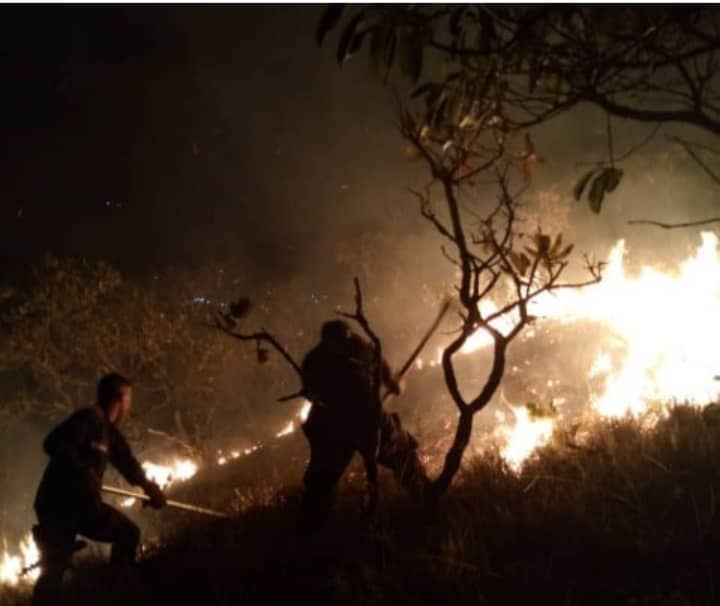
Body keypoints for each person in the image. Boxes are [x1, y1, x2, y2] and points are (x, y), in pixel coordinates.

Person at [31, 372, 166, 606]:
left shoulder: (109, 432)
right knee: (55, 566)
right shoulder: (88, 419)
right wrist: (83, 472)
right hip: (59, 505)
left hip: (80, 505)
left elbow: (127, 463)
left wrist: (149, 488)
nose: (129, 406)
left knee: (126, 534)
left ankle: (114, 592)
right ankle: (118, 593)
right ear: (119, 398)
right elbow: (53, 443)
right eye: (129, 399)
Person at [299, 319, 428, 531]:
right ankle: (309, 531)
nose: (337, 348)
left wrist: (392, 382)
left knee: (402, 455)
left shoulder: (361, 350)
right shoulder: (316, 361)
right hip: (335, 424)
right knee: (320, 484)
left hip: (366, 417)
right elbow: (310, 391)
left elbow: (389, 381)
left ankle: (426, 501)